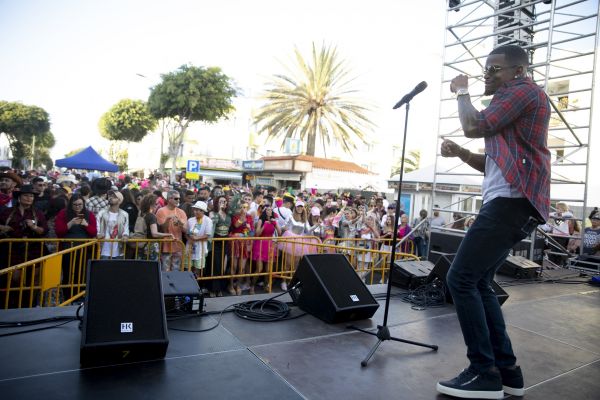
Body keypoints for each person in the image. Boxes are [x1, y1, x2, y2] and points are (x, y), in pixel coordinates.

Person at [436, 44, 551, 399]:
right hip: (510, 202)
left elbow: (474, 124)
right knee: (480, 282)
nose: (487, 74)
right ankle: (506, 371)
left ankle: (482, 371)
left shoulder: (521, 92)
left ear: (517, 71)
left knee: (461, 278)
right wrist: (459, 152)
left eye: (494, 69)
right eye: (485, 69)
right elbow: (492, 163)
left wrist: (462, 91)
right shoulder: (514, 101)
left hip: (510, 203)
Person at [251, 199, 281, 294]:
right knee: (259, 269)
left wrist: (275, 223)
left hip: (269, 245)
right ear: (264, 211)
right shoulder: (261, 220)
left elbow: (280, 233)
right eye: (268, 210)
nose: (269, 211)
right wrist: (265, 225)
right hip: (260, 244)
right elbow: (257, 233)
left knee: (268, 270)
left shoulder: (273, 221)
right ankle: (252, 286)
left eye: (271, 210)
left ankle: (265, 285)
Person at [156, 190, 187, 271]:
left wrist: (180, 222)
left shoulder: (181, 212)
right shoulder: (161, 211)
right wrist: (168, 219)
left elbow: (185, 230)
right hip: (165, 246)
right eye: (176, 199)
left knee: (176, 271)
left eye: (179, 199)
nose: (178, 200)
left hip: (178, 245)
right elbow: (163, 229)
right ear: (169, 199)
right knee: (165, 271)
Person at [96, 190, 129, 259]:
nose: (110, 198)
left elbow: (126, 228)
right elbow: (97, 225)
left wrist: (125, 235)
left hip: (118, 248)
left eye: (114, 197)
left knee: (117, 268)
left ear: (119, 201)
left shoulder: (125, 214)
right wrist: (98, 234)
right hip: (104, 248)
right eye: (110, 196)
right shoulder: (101, 213)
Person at [186, 201, 213, 278]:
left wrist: (196, 238)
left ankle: (196, 287)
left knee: (197, 269)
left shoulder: (208, 220)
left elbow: (208, 235)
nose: (195, 211)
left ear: (203, 211)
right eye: (195, 209)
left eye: (198, 210)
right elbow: (187, 233)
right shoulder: (190, 220)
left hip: (200, 248)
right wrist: (190, 239)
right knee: (188, 268)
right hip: (190, 247)